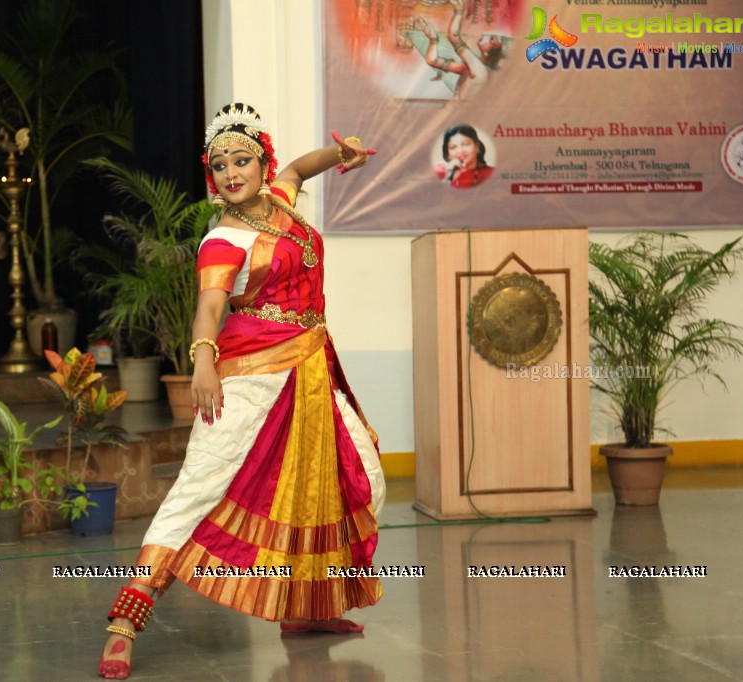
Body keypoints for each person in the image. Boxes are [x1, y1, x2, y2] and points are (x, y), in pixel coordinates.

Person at [97, 103, 386, 680]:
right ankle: (124, 623)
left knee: (359, 478)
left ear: (261, 164)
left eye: (242, 160)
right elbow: (209, 306)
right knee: (198, 491)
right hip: (249, 376)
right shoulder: (223, 238)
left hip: (310, 369)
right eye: (219, 165)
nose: (231, 172)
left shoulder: (279, 203)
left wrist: (340, 153)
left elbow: (301, 170)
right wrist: (203, 359)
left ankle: (304, 608)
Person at [416, 0, 504, 99]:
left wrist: (459, 11)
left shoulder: (480, 71)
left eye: (492, 39)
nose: (488, 35)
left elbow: (453, 36)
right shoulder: (467, 69)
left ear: (488, 53)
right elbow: (432, 61)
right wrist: (433, 40)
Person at [434, 124, 494, 189]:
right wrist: (449, 178)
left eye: (466, 144)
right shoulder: (437, 172)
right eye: (453, 147)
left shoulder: (491, 173)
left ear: (477, 146)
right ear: (448, 152)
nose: (460, 151)